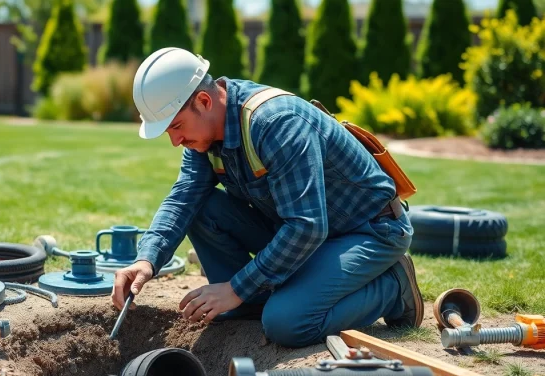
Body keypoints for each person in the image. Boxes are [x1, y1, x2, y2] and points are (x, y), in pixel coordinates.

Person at [110, 47, 424, 348]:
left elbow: (306, 226)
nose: (175, 141)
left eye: (177, 126)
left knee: (287, 323)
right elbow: (183, 198)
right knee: (201, 207)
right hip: (305, 231)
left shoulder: (275, 123)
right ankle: (253, 302)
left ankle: (393, 287)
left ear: (204, 101)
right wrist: (147, 259)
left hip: (368, 231)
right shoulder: (204, 135)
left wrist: (235, 288)